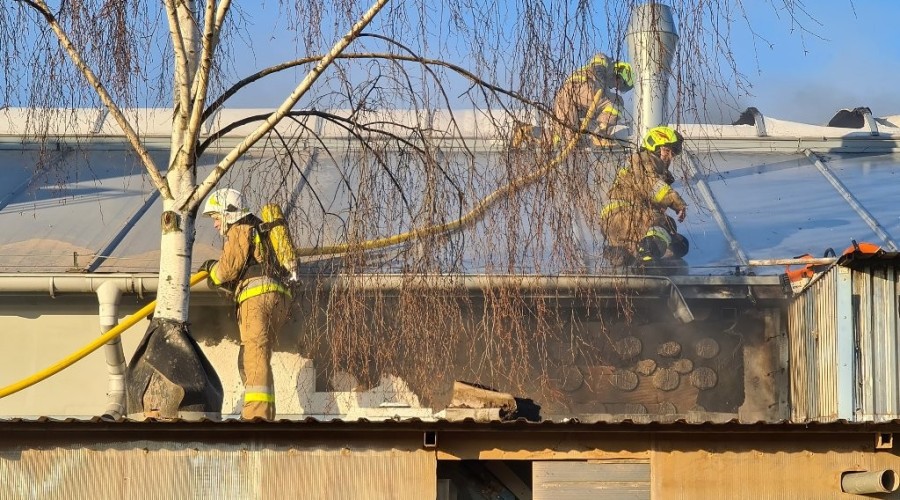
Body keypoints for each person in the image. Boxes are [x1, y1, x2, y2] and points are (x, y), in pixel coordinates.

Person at [199, 188, 292, 420]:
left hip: (257, 299)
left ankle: (255, 416)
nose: (215, 224)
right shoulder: (261, 230)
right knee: (255, 355)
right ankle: (264, 413)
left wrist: (212, 270)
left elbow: (228, 269)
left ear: (228, 213)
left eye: (216, 217)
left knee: (254, 355)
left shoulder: (241, 227)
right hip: (279, 299)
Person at [600, 126, 689, 268]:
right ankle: (648, 258)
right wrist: (677, 202)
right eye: (666, 151)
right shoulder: (643, 160)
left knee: (678, 243)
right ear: (654, 147)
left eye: (673, 153)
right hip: (626, 213)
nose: (670, 157)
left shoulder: (640, 164)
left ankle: (621, 255)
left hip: (616, 220)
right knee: (665, 223)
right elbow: (652, 186)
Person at [548, 52, 634, 149]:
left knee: (569, 138)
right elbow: (598, 59)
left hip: (563, 97)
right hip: (581, 88)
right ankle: (600, 135)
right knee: (617, 102)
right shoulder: (608, 66)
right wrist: (600, 77)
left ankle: (546, 144)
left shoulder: (603, 86)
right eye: (620, 84)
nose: (616, 87)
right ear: (620, 74)